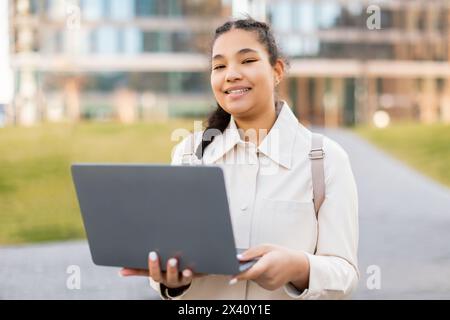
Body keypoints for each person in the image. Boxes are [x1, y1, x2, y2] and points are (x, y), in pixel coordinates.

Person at [120, 17, 359, 300]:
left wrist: (298, 267)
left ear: (277, 70)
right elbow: (172, 255)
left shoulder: (325, 160)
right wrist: (171, 280)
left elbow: (345, 275)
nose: (231, 74)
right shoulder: (188, 153)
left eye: (246, 61)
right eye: (219, 66)